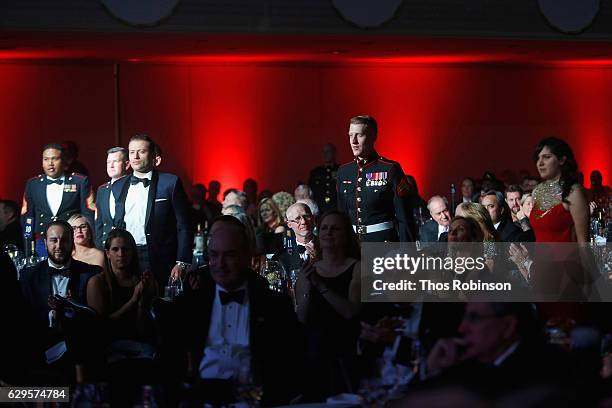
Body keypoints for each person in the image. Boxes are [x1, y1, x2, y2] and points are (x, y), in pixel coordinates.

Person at [156, 216, 304, 406]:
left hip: (257, 399)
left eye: (229, 255)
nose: (220, 264)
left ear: (246, 257)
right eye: (214, 255)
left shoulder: (274, 305)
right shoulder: (188, 305)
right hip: (202, 399)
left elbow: (292, 366)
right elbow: (167, 366)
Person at [19, 221, 100, 377]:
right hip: (42, 345)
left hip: (80, 348)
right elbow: (24, 318)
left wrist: (71, 313)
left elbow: (96, 320)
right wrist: (52, 315)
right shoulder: (29, 276)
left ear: (72, 242)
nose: (59, 245)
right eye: (54, 240)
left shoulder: (90, 273)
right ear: (45, 242)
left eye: (64, 240)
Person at [295, 210, 361, 400]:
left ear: (345, 234)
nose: (328, 232)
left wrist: (320, 285)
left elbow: (351, 312)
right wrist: (308, 284)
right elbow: (302, 317)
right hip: (314, 355)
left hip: (346, 353)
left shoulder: (357, 267)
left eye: (335, 228)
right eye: (324, 228)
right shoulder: (308, 271)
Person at [114, 134, 192, 288]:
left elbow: (184, 224)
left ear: (153, 155)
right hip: (127, 256)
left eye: (141, 152)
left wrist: (182, 262)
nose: (135, 156)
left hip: (161, 257)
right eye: (132, 152)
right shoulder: (118, 185)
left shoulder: (170, 182)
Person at [336, 115, 413, 242]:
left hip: (383, 243)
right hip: (352, 243)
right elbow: (341, 216)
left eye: (359, 135)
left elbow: (404, 216)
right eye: (350, 135)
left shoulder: (389, 169)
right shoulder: (344, 172)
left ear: (373, 137)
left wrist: (406, 253)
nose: (353, 141)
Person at [21, 143, 95, 257]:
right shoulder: (33, 184)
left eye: (54, 159)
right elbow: (28, 217)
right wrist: (28, 246)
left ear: (64, 161)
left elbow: (88, 214)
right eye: (46, 159)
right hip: (42, 242)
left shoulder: (79, 181)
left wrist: (91, 243)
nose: (50, 163)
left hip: (71, 240)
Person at [87, 228, 157, 345]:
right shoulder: (97, 282)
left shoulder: (143, 280)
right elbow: (100, 326)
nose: (121, 254)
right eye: (115, 249)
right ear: (108, 253)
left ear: (132, 252)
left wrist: (142, 301)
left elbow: (147, 327)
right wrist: (133, 300)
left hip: (140, 343)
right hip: (109, 346)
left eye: (125, 249)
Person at [530, 137, 589, 243]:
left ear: (561, 160)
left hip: (567, 258)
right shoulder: (536, 191)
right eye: (538, 158)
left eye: (546, 157)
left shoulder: (573, 193)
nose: (540, 163)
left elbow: (583, 243)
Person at [95, 147, 130, 249]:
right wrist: (99, 248)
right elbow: (99, 223)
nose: (111, 165)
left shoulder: (133, 186)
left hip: (127, 245)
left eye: (115, 161)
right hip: (107, 246)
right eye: (108, 162)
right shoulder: (102, 189)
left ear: (127, 164)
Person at [275, 202, 317, 273]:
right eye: (298, 219)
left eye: (306, 216)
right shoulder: (283, 254)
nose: (303, 222)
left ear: (313, 218)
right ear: (289, 224)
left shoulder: (326, 246)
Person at [309, 143, 339, 213]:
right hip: (320, 208)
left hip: (336, 207)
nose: (325, 154)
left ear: (334, 153)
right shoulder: (315, 172)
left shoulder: (340, 170)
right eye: (323, 152)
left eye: (328, 151)